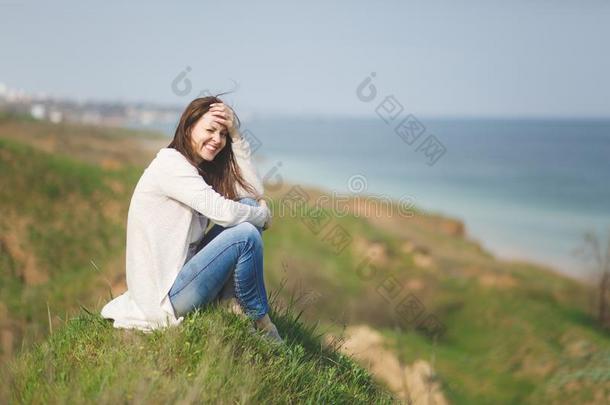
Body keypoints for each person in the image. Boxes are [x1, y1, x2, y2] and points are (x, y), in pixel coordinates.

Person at [100, 96, 282, 343]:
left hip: (188, 275)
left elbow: (252, 193)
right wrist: (261, 215)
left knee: (247, 206)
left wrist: (237, 136)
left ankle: (234, 307)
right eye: (209, 130)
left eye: (223, 133)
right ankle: (260, 321)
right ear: (188, 128)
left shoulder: (199, 170)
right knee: (247, 234)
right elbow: (226, 213)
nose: (217, 139)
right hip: (167, 296)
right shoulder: (170, 165)